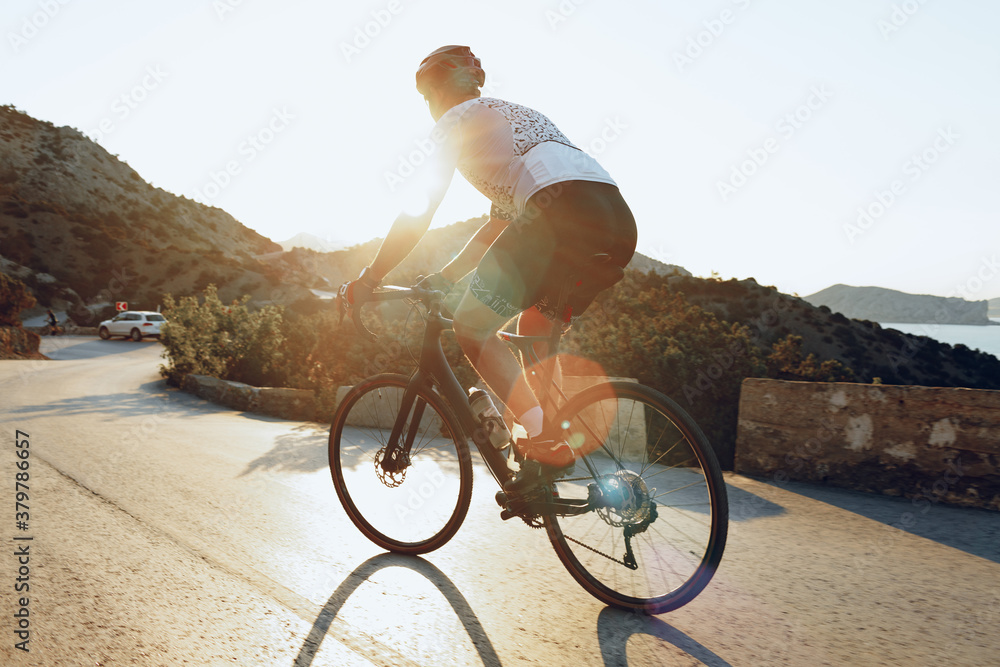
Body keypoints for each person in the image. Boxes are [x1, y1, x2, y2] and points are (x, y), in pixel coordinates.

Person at [340, 45, 637, 492]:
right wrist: (446, 277)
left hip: (556, 216)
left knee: (472, 328)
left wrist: (371, 277)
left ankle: (544, 439)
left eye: (427, 98)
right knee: (534, 326)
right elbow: (498, 225)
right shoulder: (509, 115)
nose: (430, 108)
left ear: (435, 90)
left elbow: (419, 211)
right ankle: (544, 444)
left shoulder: (455, 122)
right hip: (614, 221)